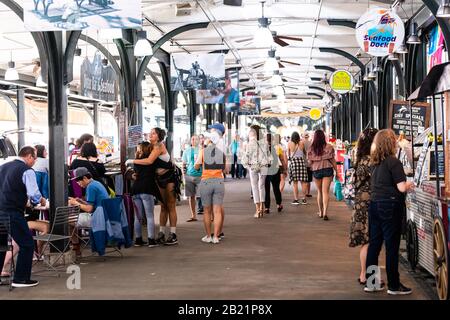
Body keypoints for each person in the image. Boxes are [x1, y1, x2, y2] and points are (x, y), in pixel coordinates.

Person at [364, 129, 414, 295]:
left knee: (374, 245)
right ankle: (394, 285)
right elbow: (400, 188)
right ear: (391, 143)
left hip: (374, 204)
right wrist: (409, 185)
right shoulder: (394, 162)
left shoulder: (374, 162)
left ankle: (372, 283)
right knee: (391, 247)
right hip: (390, 206)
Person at [0, 146, 45, 288]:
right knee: (27, 244)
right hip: (12, 211)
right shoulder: (26, 170)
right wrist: (41, 200)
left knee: (1, 246)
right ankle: (20, 279)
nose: (35, 160)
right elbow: (34, 194)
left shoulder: (3, 166)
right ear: (29, 156)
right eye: (35, 157)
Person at [126, 128, 180, 246]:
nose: (150, 134)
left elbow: (150, 161)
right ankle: (161, 233)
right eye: (150, 133)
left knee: (170, 205)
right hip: (158, 179)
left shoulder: (158, 146)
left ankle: (173, 234)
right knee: (163, 206)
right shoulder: (150, 146)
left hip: (169, 177)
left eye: (153, 133)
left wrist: (132, 160)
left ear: (159, 136)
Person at [348, 128, 378, 286]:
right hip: (368, 204)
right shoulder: (371, 161)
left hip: (360, 203)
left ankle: (363, 275)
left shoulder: (360, 158)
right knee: (371, 243)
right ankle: (370, 279)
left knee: (366, 243)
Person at [195, 123, 228, 244]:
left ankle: (208, 236)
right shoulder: (221, 153)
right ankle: (216, 237)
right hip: (219, 181)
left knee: (207, 211)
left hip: (206, 182)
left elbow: (197, 165)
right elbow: (226, 169)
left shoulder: (203, 151)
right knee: (217, 211)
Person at [68, 167, 110, 257]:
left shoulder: (90, 187)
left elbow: (89, 209)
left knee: (68, 221)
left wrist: (75, 203)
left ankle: (76, 248)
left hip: (98, 218)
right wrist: (81, 202)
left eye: (79, 181)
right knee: (72, 219)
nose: (79, 184)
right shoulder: (96, 183)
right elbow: (92, 204)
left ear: (85, 178)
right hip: (104, 215)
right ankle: (76, 248)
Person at [130, 141, 160, 248]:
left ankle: (138, 240)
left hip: (135, 189)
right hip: (147, 189)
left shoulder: (136, 161)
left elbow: (135, 174)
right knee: (150, 216)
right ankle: (151, 240)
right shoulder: (151, 160)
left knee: (137, 217)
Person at [308, 129, 339, 220]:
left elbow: (310, 162)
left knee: (319, 192)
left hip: (316, 170)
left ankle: (320, 212)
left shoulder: (311, 148)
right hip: (327, 169)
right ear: (323, 137)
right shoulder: (329, 147)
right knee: (325, 192)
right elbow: (333, 160)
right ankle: (325, 212)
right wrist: (337, 171)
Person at [241, 125, 271, 218]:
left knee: (254, 187)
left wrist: (246, 165)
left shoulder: (250, 143)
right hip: (264, 165)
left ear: (253, 132)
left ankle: (257, 210)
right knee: (262, 186)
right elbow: (269, 155)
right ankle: (262, 207)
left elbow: (246, 156)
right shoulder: (265, 143)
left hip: (253, 166)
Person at [182, 135, 202, 222]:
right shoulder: (186, 151)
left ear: (199, 140)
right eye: (192, 139)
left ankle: (210, 215)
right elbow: (184, 163)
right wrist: (184, 175)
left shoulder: (202, 150)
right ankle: (193, 215)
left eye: (196, 139)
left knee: (203, 196)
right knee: (191, 196)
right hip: (189, 175)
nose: (194, 140)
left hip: (200, 175)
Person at [264, 133, 285, 214]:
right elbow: (282, 158)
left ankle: (267, 207)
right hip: (275, 169)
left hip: (266, 170)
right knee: (276, 188)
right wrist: (284, 169)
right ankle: (278, 204)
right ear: (272, 139)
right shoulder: (278, 147)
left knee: (266, 189)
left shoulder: (263, 148)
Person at [287, 131, 309, 205]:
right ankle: (304, 199)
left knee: (295, 183)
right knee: (303, 182)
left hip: (294, 163)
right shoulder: (302, 143)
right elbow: (305, 153)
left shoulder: (289, 144)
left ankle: (296, 199)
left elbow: (288, 155)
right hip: (301, 162)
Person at [302, 132, 313, 197]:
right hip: (309, 163)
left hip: (302, 163)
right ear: (308, 136)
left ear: (303, 137)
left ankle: (304, 193)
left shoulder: (301, 143)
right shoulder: (311, 143)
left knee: (304, 179)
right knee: (309, 179)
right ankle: (308, 193)